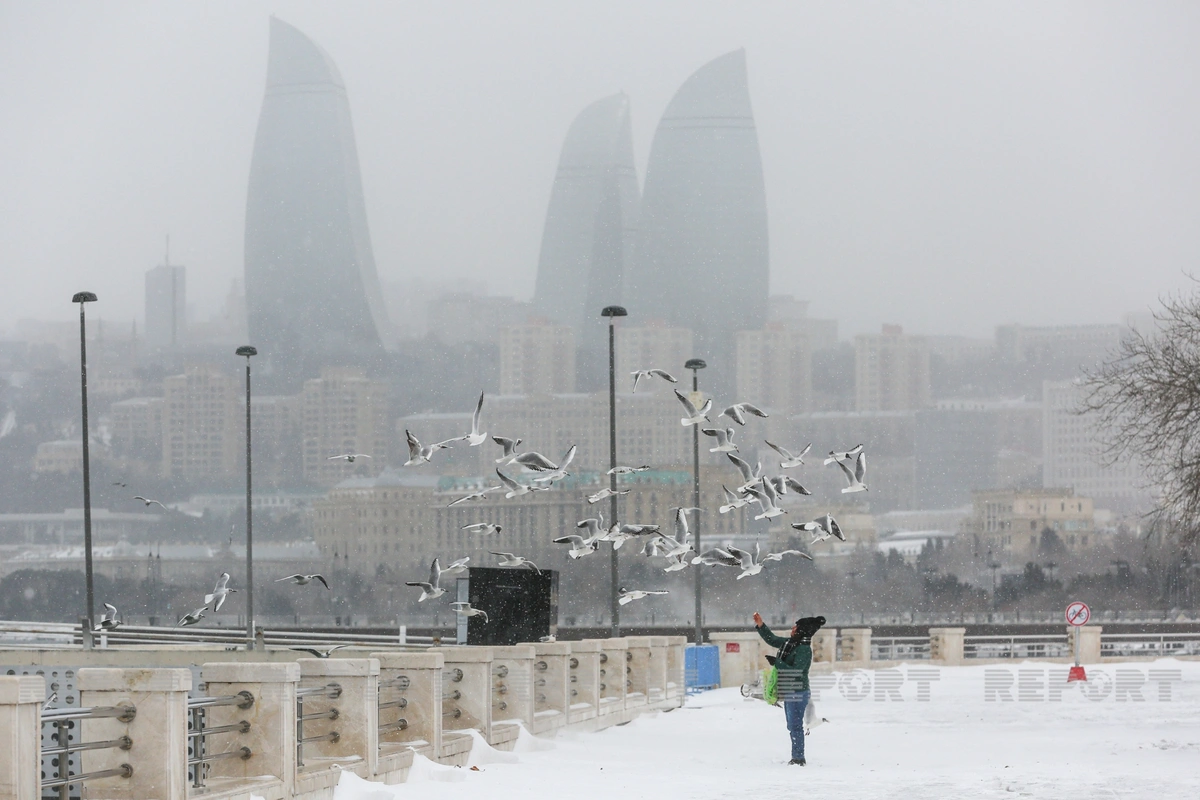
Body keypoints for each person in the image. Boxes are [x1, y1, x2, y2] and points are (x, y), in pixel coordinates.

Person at [753, 611, 826, 765]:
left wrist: (777, 663)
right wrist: (761, 624)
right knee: (792, 725)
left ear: (801, 632)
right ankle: (797, 756)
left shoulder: (803, 650)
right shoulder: (791, 644)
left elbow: (796, 672)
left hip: (798, 691)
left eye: (795, 628)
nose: (792, 630)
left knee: (795, 725)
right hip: (790, 691)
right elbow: (772, 639)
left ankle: (798, 758)